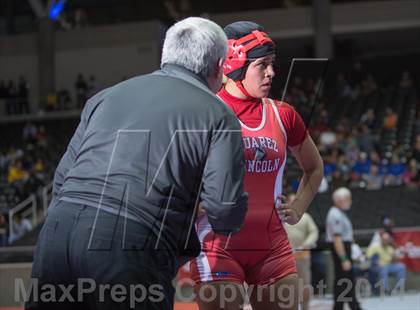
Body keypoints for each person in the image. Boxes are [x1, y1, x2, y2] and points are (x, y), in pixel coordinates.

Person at [27, 17, 248, 310]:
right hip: (130, 241)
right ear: (221, 65)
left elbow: (61, 180)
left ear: (166, 55)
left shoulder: (103, 97)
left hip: (55, 233)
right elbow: (224, 210)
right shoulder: (219, 115)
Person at [190, 21, 324, 310]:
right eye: (262, 65)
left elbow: (314, 167)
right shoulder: (202, 113)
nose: (272, 73)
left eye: (272, 64)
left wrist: (299, 206)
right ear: (234, 65)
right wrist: (189, 205)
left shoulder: (283, 114)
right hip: (217, 245)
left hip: (272, 244)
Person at [326, 187, 363, 310]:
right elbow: (337, 239)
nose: (350, 201)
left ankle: (351, 306)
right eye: (348, 199)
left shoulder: (340, 213)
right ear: (341, 200)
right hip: (341, 250)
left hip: (345, 247)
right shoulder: (335, 214)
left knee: (347, 280)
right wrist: (343, 258)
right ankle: (342, 307)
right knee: (343, 281)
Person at [284, 194, 319, 310]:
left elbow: (314, 232)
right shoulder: (281, 217)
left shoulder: (306, 217)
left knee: (304, 285)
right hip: (285, 256)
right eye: (292, 201)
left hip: (302, 256)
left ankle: (305, 307)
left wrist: (306, 244)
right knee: (286, 285)